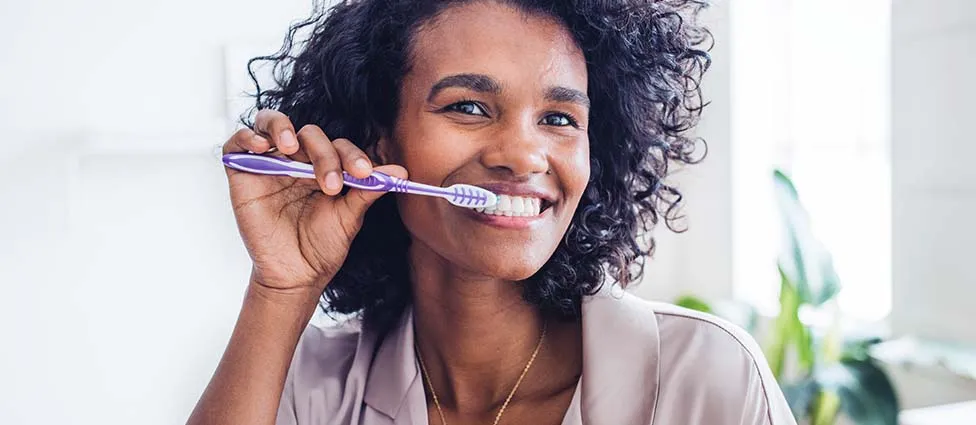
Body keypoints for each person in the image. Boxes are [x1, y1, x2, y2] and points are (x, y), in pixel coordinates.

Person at [188, 0, 796, 424]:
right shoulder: (306, 387)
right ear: (380, 139)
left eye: (559, 119)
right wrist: (282, 287)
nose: (523, 155)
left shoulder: (708, 377)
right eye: (470, 107)